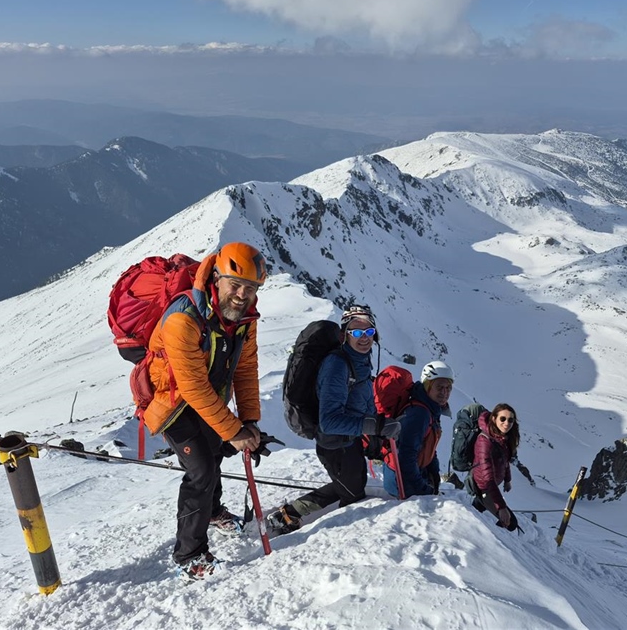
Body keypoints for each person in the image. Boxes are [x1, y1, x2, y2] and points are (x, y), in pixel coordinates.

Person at [143, 242, 266, 580]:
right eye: (236, 284)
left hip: (208, 396)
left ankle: (211, 511)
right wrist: (235, 431)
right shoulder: (184, 318)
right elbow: (192, 388)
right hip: (171, 403)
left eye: (251, 288)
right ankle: (189, 553)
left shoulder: (245, 317)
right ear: (216, 277)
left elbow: (245, 367)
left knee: (214, 454)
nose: (243, 295)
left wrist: (249, 420)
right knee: (200, 471)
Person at [267, 305, 400, 535]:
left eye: (368, 332)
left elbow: (362, 399)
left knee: (351, 487)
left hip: (351, 439)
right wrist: (374, 426)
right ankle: (296, 520)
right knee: (352, 493)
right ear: (345, 334)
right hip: (334, 444)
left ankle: (288, 514)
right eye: (357, 332)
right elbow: (329, 421)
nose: (364, 338)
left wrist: (374, 431)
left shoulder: (360, 359)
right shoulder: (337, 366)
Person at [383, 360, 452, 498]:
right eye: (439, 387)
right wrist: (422, 489)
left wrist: (434, 473)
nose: (445, 392)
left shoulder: (430, 409)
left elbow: (428, 446)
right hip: (401, 482)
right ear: (427, 386)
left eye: (448, 388)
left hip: (410, 474)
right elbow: (406, 455)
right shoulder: (419, 414)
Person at [467, 403, 522, 532]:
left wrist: (507, 480)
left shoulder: (502, 439)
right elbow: (488, 478)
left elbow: (505, 461)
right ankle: (489, 541)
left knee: (479, 509)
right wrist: (502, 508)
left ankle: (476, 509)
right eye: (502, 419)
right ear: (493, 418)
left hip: (491, 486)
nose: (506, 423)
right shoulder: (484, 441)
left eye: (510, 420)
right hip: (484, 486)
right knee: (510, 523)